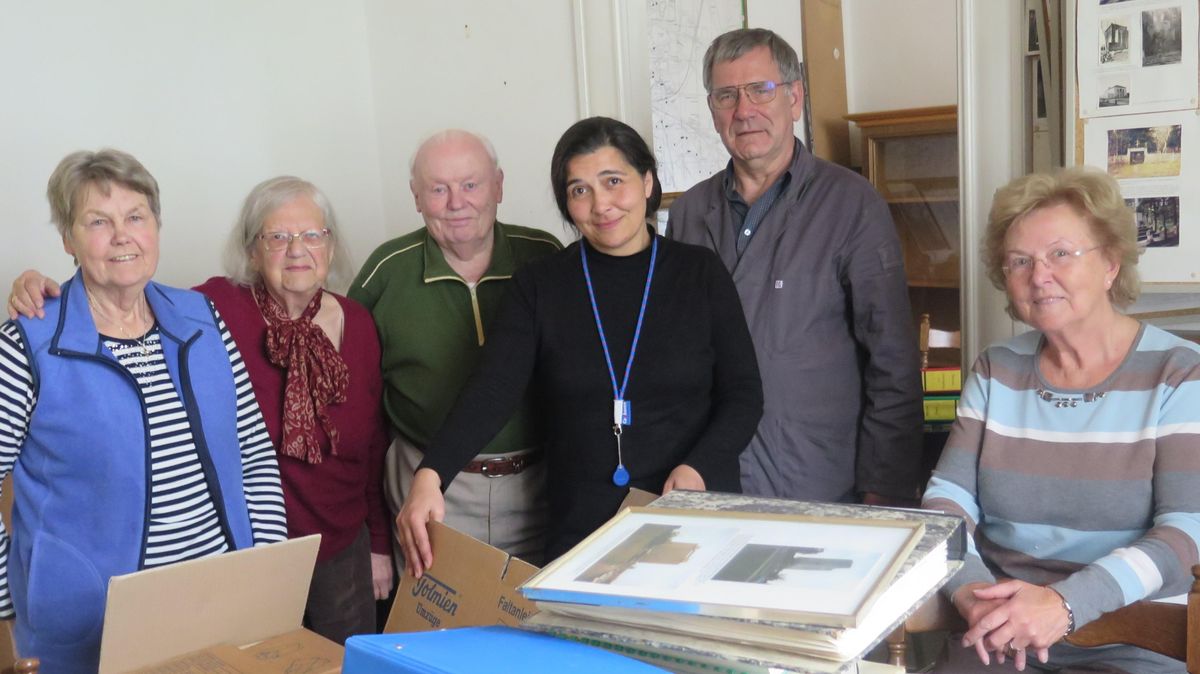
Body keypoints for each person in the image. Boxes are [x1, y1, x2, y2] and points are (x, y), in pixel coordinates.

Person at [8, 176, 394, 644]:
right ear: (253, 251)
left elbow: (345, 445)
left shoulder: (346, 322)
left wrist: (363, 545)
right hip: (120, 605)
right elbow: (108, 292)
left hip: (301, 558)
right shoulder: (212, 310)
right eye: (277, 236)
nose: (297, 249)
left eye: (313, 235)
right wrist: (15, 596)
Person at [398, 116, 763, 574]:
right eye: (579, 190)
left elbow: (744, 395)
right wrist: (431, 474)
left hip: (692, 514)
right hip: (585, 530)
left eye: (614, 181)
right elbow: (493, 389)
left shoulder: (700, 273)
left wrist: (700, 467)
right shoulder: (541, 284)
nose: (601, 204)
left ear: (647, 182)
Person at [0, 149, 288, 671]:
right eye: (97, 222)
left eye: (136, 216)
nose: (122, 236)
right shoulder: (25, 345)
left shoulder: (202, 318)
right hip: (90, 629)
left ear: (156, 225)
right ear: (67, 238)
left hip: (219, 607)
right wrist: (5, 610)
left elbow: (252, 452)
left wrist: (264, 571)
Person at [922, 167, 1200, 673]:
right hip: (999, 636)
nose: (1039, 275)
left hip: (1136, 642)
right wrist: (971, 593)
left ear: (1111, 264)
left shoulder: (1178, 372)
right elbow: (947, 502)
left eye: (1061, 254)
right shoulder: (997, 368)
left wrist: (1064, 604)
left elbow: (1188, 532)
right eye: (1020, 261)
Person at [666, 28, 924, 506]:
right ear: (712, 110)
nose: (744, 111)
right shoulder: (688, 214)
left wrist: (883, 488)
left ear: (795, 97)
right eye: (726, 95)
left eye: (760, 90)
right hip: (710, 481)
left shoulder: (851, 204)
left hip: (821, 483)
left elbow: (893, 362)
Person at [347, 130, 561, 566]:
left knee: (540, 607)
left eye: (470, 184)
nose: (456, 203)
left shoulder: (546, 256)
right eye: (438, 189)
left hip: (539, 485)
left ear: (498, 186)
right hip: (429, 490)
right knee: (436, 609)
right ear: (416, 197)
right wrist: (373, 534)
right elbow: (355, 405)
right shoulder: (385, 272)